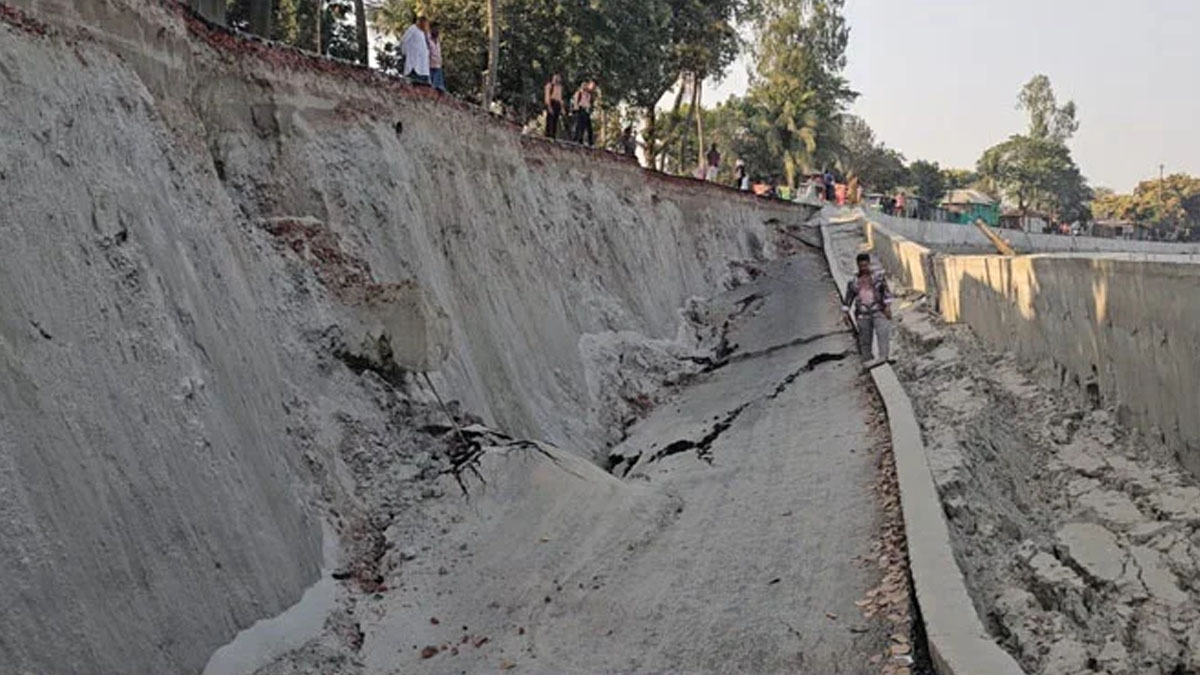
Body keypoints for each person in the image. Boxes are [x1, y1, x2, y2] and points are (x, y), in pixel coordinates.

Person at [842, 252, 893, 365]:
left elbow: (886, 293)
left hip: (879, 311)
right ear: (858, 266)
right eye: (861, 266)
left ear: (869, 264)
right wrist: (845, 313)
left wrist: (888, 307)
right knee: (865, 339)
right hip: (862, 314)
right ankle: (867, 361)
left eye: (866, 265)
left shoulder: (878, 278)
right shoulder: (853, 282)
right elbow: (848, 298)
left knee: (883, 334)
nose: (864, 268)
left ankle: (883, 357)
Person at [400, 15, 431, 85]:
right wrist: (405, 53)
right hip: (414, 67)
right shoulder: (413, 29)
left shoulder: (424, 33)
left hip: (424, 68)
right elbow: (403, 41)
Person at [572, 80, 598, 146]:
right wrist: (576, 110)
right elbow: (575, 102)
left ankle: (588, 141)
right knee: (578, 125)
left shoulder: (588, 95)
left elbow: (588, 103)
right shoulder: (579, 93)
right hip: (580, 109)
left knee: (587, 126)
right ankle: (576, 139)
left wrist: (589, 109)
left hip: (585, 110)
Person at [544, 74, 564, 138]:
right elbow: (547, 97)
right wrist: (549, 106)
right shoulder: (550, 86)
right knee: (550, 120)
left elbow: (560, 98)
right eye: (556, 78)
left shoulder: (560, 87)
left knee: (555, 120)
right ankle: (548, 135)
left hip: (557, 104)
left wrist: (562, 108)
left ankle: (553, 135)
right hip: (551, 102)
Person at [427, 23, 446, 92]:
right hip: (430, 66)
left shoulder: (437, 40)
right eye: (435, 29)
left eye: (438, 29)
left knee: (439, 88)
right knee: (430, 87)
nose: (437, 31)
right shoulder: (427, 39)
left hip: (438, 66)